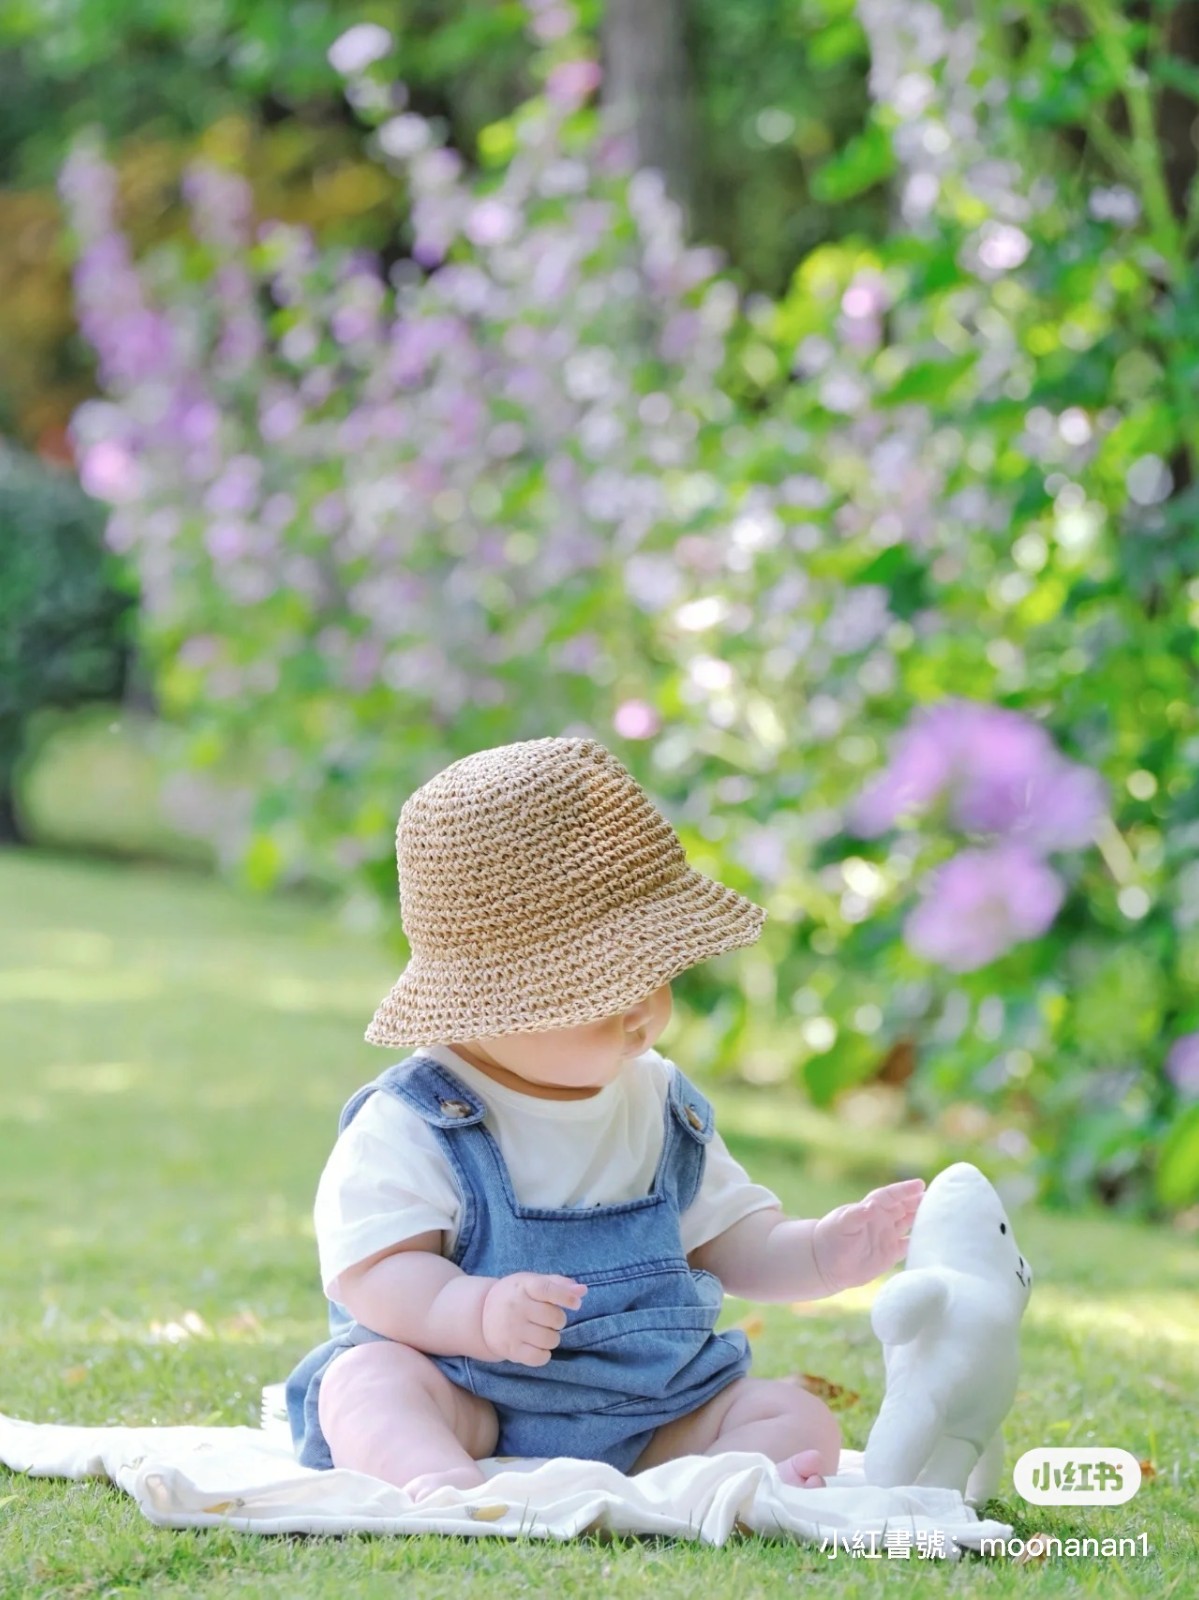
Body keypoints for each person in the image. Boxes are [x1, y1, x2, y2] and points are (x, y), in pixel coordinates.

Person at [285, 736, 924, 1500]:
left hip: (653, 1406)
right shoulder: (417, 1121)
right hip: (469, 1389)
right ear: (487, 1000)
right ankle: (443, 1485)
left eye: (652, 975)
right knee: (368, 1383)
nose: (643, 1012)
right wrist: (476, 1309)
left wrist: (822, 1253)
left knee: (790, 1412)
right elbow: (373, 1273)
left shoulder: (657, 1103)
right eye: (602, 987)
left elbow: (730, 1238)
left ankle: (717, 1482)